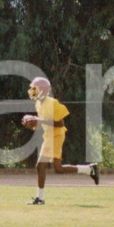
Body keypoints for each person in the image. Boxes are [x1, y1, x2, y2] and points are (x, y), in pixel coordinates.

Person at [22, 76, 98, 205]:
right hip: (49, 135)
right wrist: (32, 121)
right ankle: (89, 169)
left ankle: (40, 198)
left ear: (43, 90)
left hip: (56, 135)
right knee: (58, 168)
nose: (31, 90)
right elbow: (44, 121)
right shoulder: (38, 103)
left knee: (40, 166)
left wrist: (39, 120)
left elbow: (60, 123)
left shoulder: (53, 103)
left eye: (34, 88)